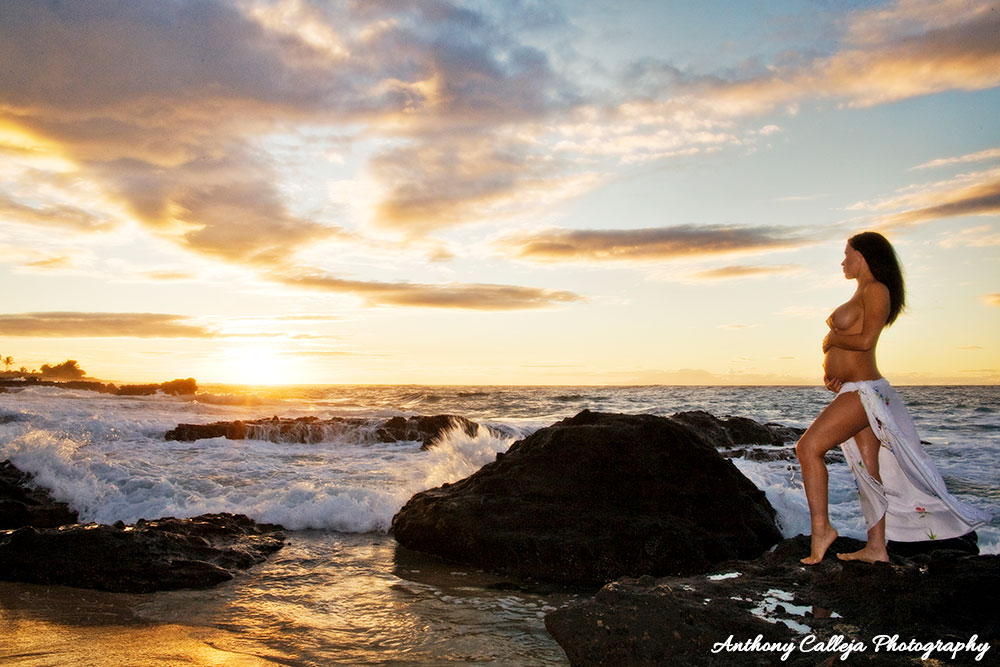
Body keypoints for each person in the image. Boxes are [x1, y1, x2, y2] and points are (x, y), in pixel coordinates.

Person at [796, 232, 991, 565]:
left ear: (864, 255)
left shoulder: (877, 290)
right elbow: (852, 345)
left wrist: (831, 339)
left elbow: (866, 340)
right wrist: (833, 371)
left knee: (807, 447)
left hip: (865, 391)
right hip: (852, 388)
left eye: (847, 253)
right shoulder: (860, 292)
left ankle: (821, 530)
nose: (843, 261)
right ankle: (877, 547)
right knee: (869, 470)